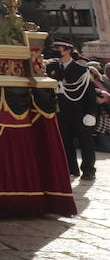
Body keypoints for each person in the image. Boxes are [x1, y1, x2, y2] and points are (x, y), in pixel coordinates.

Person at [46, 38, 98, 180]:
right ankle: (71, 168)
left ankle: (88, 169)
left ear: (68, 50)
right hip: (61, 112)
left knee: (85, 142)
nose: (56, 50)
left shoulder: (82, 70)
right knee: (65, 142)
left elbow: (90, 94)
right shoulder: (51, 69)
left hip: (79, 112)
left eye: (59, 48)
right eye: (55, 48)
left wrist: (90, 113)